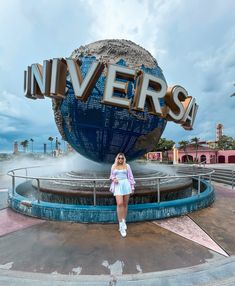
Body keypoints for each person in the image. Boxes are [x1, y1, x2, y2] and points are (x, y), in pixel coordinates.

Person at [109, 153, 135, 237]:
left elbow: (130, 177)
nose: (120, 160)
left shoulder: (127, 166)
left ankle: (124, 221)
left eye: (122, 158)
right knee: (119, 204)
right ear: (117, 158)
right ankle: (121, 225)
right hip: (118, 185)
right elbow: (111, 176)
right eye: (119, 158)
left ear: (124, 159)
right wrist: (114, 179)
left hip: (126, 184)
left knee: (125, 204)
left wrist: (132, 187)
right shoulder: (113, 166)